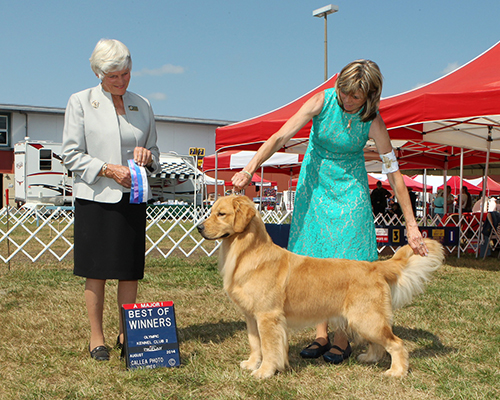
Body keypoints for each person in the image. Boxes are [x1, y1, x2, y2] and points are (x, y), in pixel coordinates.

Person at [231, 60, 427, 366]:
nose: (347, 100)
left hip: (351, 189)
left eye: (355, 96)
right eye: (344, 92)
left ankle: (341, 339)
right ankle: (321, 334)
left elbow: (394, 172)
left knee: (349, 258)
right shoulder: (322, 101)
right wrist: (250, 167)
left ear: (370, 97)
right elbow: (281, 136)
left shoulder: (373, 121)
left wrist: (412, 225)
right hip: (316, 185)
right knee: (313, 257)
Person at [62, 39, 160, 361]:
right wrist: (107, 169)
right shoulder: (80, 102)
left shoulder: (143, 104)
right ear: (99, 73)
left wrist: (148, 157)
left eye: (126, 74)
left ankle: (127, 333)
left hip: (132, 197)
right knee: (97, 270)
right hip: (95, 198)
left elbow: (155, 153)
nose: (121, 81)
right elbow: (71, 155)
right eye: (113, 76)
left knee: (129, 269)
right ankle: (96, 338)